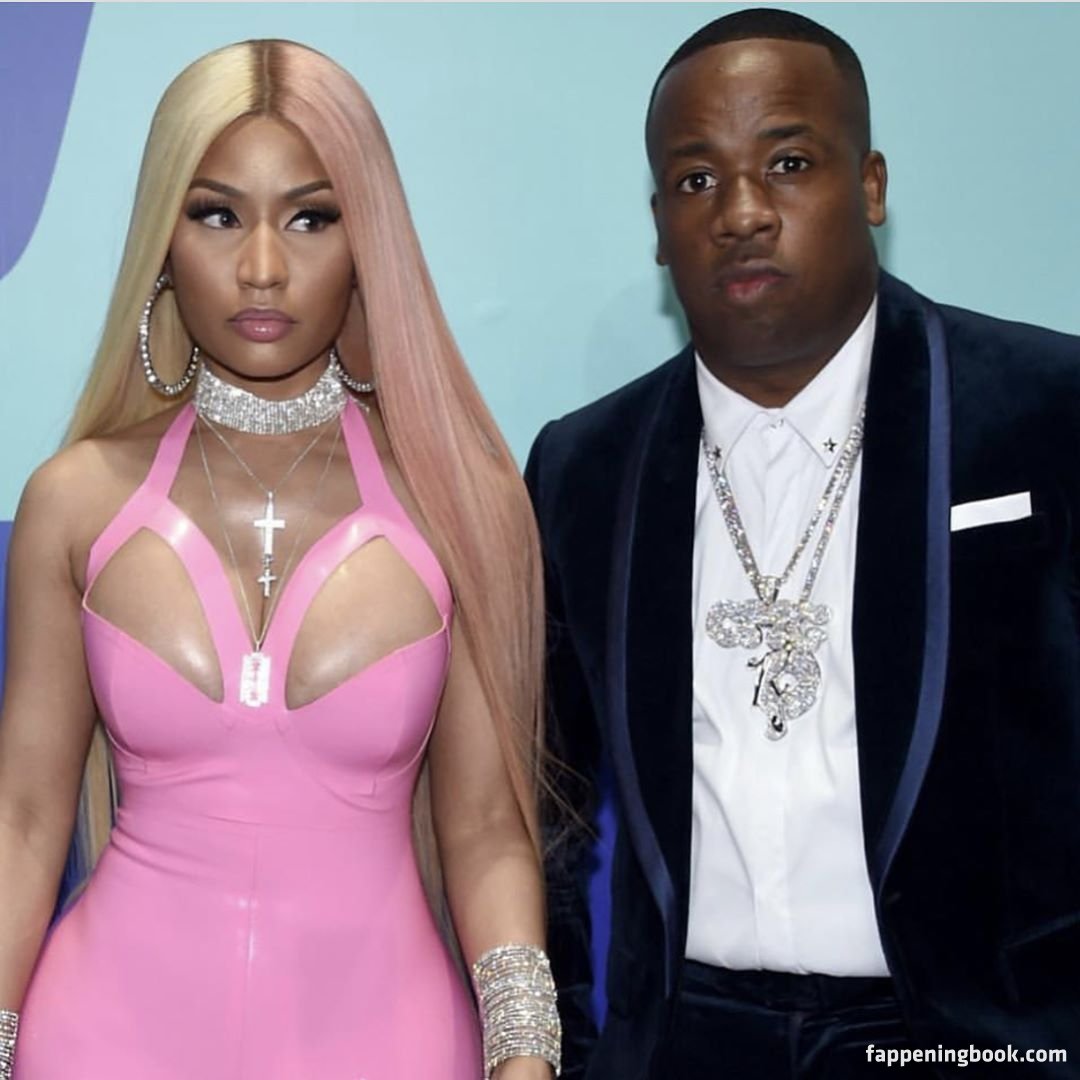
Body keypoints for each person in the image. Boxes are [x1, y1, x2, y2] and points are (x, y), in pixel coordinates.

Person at [526, 8, 1080, 1079]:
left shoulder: (1046, 413)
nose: (741, 213)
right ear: (658, 225)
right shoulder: (584, 466)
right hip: (682, 1043)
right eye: (696, 180)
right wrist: (571, 1049)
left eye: (787, 163)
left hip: (974, 1043)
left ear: (870, 185)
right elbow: (550, 806)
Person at [0, 40, 560, 1080]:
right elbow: (25, 821)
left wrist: (524, 1055)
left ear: (367, 239)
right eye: (217, 214)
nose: (262, 265)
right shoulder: (74, 500)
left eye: (311, 217)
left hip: (389, 1049)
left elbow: (488, 831)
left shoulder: (465, 503)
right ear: (162, 239)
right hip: (99, 1044)